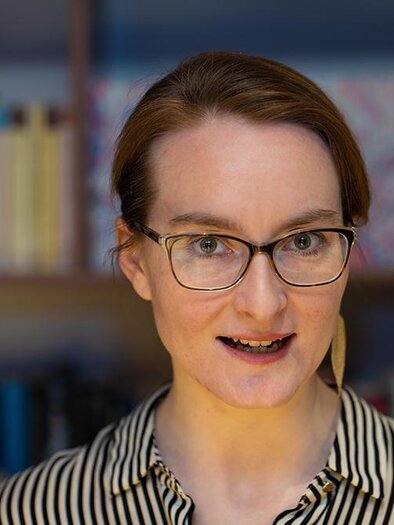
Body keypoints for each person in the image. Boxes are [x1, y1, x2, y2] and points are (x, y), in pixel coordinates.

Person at [1, 51, 393, 524]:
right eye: (208, 245)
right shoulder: (29, 512)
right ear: (135, 259)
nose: (263, 304)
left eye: (304, 241)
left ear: (348, 254)